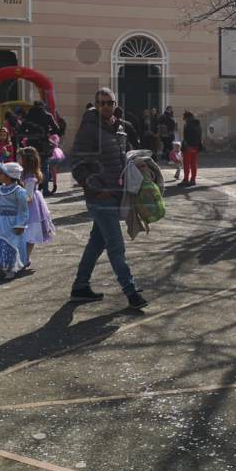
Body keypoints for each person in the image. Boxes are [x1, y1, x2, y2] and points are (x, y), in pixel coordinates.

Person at [68, 88, 147, 310]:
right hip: (100, 197)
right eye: (101, 103)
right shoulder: (89, 129)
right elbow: (77, 164)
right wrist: (95, 187)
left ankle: (80, 287)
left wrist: (135, 163)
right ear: (95, 104)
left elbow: (124, 156)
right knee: (116, 246)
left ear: (115, 104)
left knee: (96, 243)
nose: (105, 106)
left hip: (117, 195)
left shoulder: (120, 128)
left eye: (109, 102)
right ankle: (131, 292)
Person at [17, 146, 55, 264]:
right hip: (27, 205)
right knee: (23, 234)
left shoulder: (30, 178)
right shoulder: (23, 173)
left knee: (30, 233)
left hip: (31, 207)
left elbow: (28, 197)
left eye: (20, 158)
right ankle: (23, 257)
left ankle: (26, 258)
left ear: (27, 161)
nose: (17, 160)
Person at [180, 110, 203, 187]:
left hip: (188, 147)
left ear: (187, 117)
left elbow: (186, 137)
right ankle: (193, 179)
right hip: (196, 147)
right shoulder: (198, 125)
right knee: (193, 164)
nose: (184, 119)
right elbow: (200, 137)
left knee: (186, 164)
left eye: (184, 118)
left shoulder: (188, 125)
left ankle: (186, 179)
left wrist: (185, 145)